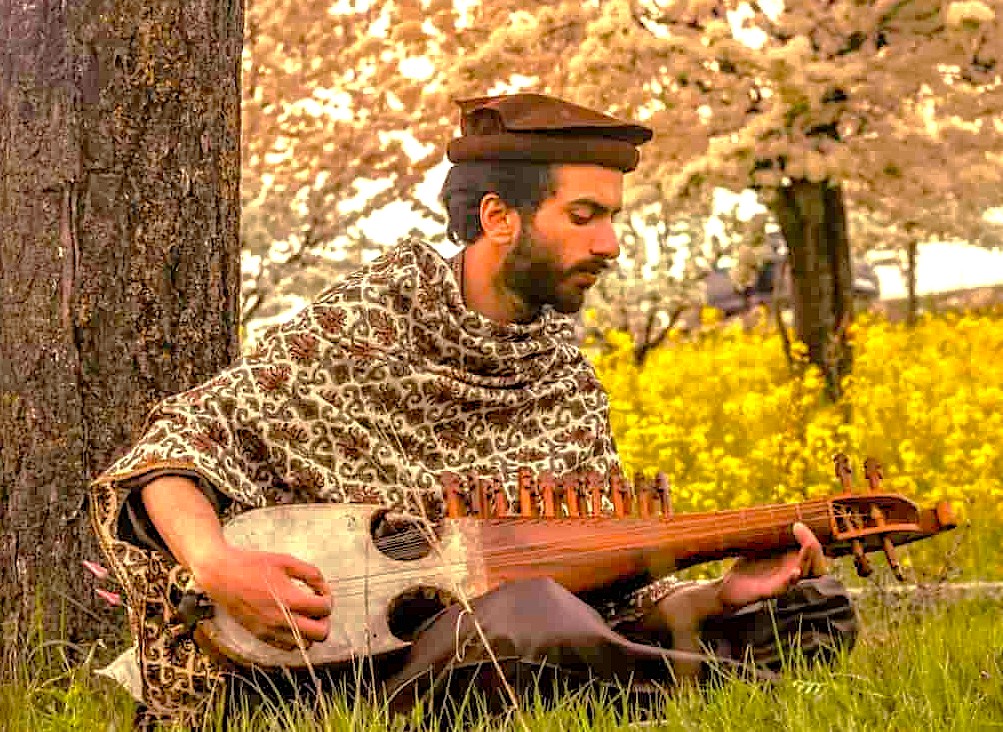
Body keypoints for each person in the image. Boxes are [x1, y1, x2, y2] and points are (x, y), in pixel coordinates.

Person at [89, 93, 856, 728]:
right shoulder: (369, 322)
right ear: (499, 218)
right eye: (585, 215)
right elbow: (172, 447)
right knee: (529, 624)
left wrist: (723, 593)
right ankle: (673, 690)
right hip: (324, 676)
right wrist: (218, 566)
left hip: (494, 654)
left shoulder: (561, 376)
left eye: (613, 217)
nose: (613, 243)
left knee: (811, 611)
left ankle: (651, 686)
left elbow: (619, 599)